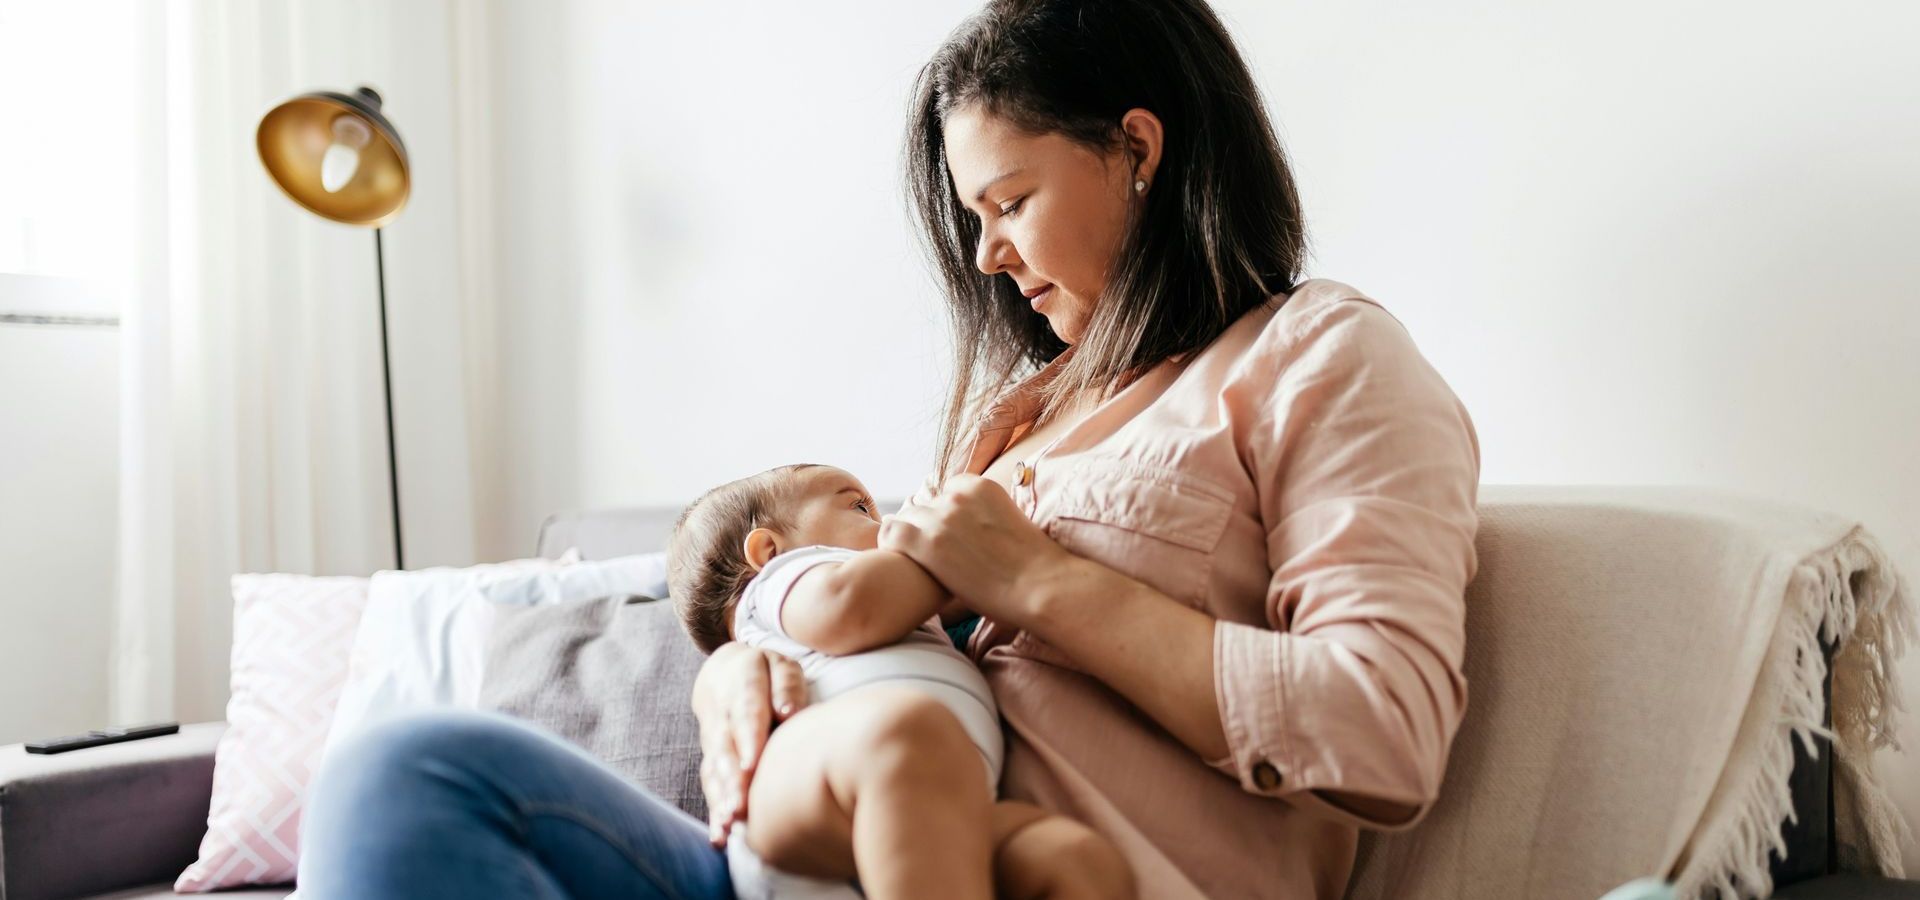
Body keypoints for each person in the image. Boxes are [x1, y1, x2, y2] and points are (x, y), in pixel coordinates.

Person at [300, 0, 1481, 897]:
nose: (986, 257)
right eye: (973, 218)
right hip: (826, 851)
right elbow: (874, 622)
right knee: (399, 773)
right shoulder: (1029, 412)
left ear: (1137, 147)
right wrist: (736, 672)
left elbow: (1381, 724)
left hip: (1040, 873)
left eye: (1009, 203)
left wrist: (1039, 583)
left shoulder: (1321, 359)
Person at [665, 462, 1131, 899]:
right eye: (859, 507)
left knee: (1071, 858)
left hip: (935, 818)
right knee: (907, 731)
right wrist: (968, 557)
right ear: (768, 550)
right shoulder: (783, 583)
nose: (887, 521)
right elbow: (850, 606)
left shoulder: (912, 616)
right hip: (809, 788)